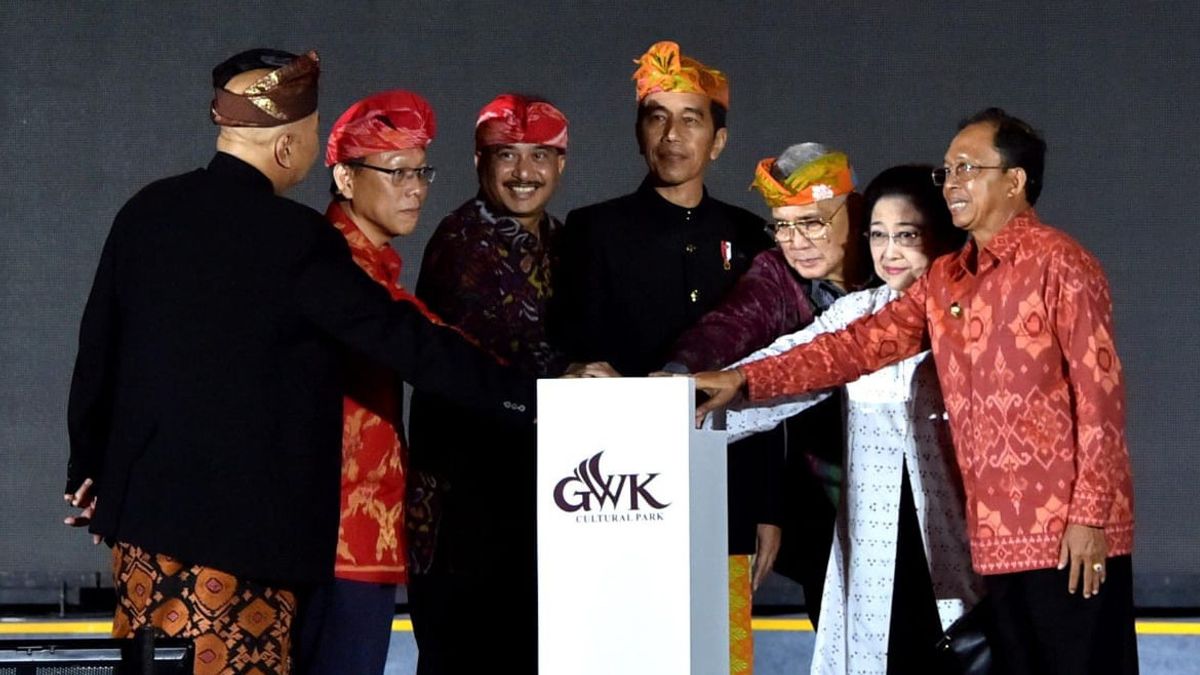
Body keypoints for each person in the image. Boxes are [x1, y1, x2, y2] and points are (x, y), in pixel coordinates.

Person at [64, 49, 533, 675]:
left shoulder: (145, 212)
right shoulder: (293, 237)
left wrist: (89, 469)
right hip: (245, 547)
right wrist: (529, 399)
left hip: (146, 535)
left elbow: (97, 354)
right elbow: (401, 338)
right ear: (288, 149)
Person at [696, 109, 1138, 675]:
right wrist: (744, 379)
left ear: (1015, 181)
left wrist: (1090, 521)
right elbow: (854, 346)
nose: (952, 181)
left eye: (967, 168)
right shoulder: (949, 278)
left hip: (1070, 539)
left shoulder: (1063, 265)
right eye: (947, 170)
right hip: (996, 543)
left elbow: (1100, 402)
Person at [550, 40, 775, 673]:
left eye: (691, 119)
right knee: (623, 649)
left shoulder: (752, 236)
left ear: (719, 140)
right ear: (638, 133)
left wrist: (766, 506)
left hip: (726, 484)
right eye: (657, 117)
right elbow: (571, 349)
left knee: (720, 651)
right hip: (615, 492)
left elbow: (769, 372)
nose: (673, 135)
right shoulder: (594, 229)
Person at [715, 165, 979, 674]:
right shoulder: (856, 314)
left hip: (961, 539)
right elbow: (785, 368)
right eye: (878, 236)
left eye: (907, 235)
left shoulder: (977, 313)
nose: (889, 252)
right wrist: (669, 402)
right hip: (879, 541)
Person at [665, 144, 876, 627]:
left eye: (813, 223)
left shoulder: (894, 261)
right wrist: (678, 375)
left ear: (856, 211)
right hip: (829, 503)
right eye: (783, 225)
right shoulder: (776, 274)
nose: (796, 241)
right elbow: (732, 323)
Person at [406, 94, 569, 675]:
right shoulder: (459, 244)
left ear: (562, 164)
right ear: (479, 161)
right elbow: (473, 370)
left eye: (540, 155)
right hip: (464, 511)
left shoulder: (563, 241)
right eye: (506, 155)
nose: (524, 173)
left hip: (541, 502)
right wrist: (567, 381)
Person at [293, 89, 441, 675]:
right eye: (397, 170)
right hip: (336, 540)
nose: (416, 187)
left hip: (359, 536)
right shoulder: (337, 268)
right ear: (346, 179)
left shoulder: (374, 265)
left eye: (422, 169)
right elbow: (434, 348)